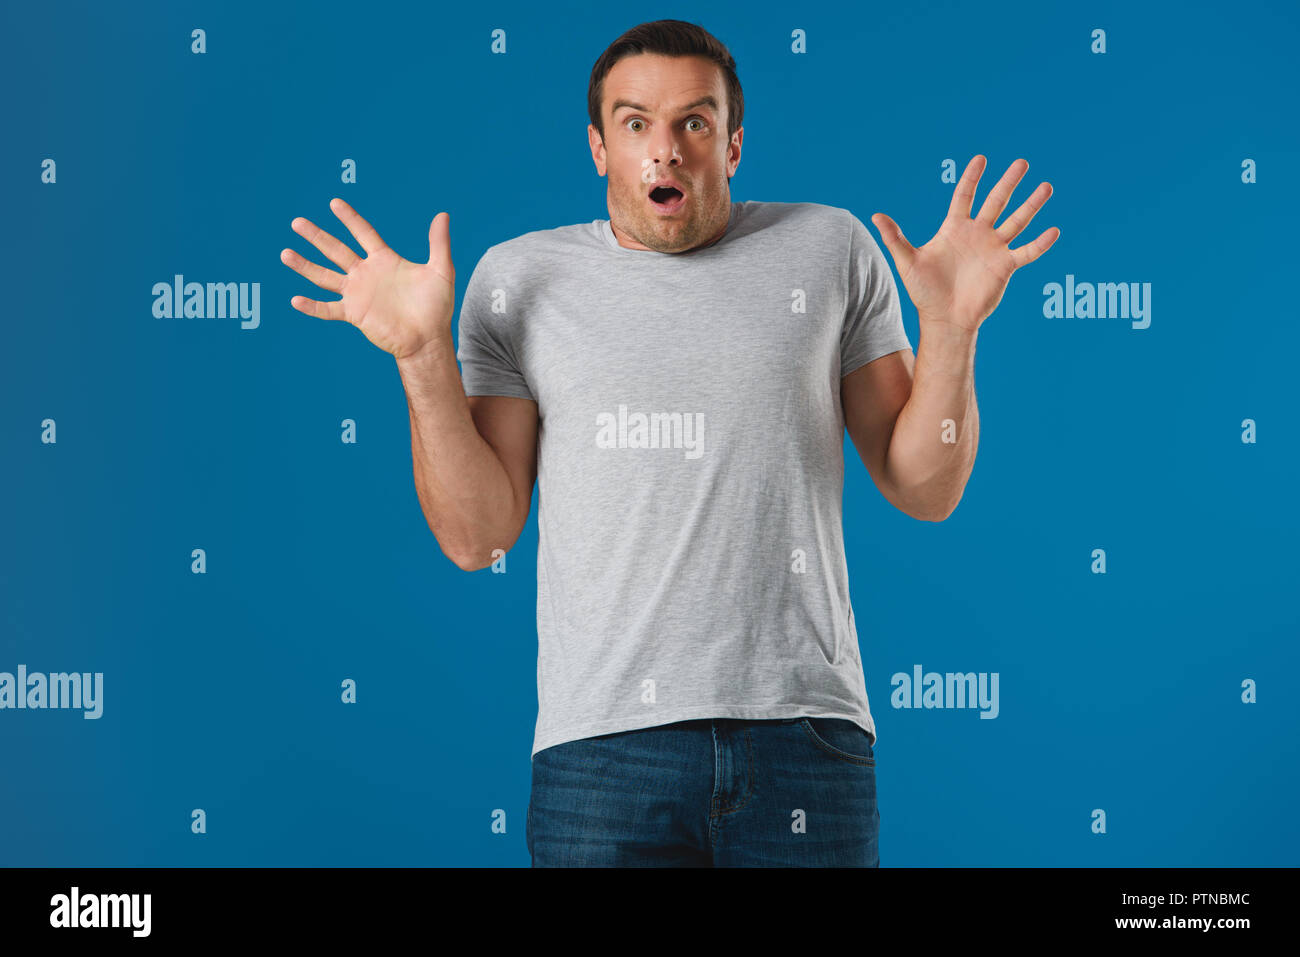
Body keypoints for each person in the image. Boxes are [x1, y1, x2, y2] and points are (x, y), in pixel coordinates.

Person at [279, 19, 1058, 867]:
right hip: (603, 753)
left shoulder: (830, 248)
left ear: (732, 143)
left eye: (695, 121)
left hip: (806, 738)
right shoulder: (518, 280)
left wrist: (950, 329)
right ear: (598, 146)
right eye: (635, 123)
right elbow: (478, 535)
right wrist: (423, 355)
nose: (666, 150)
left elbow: (924, 486)